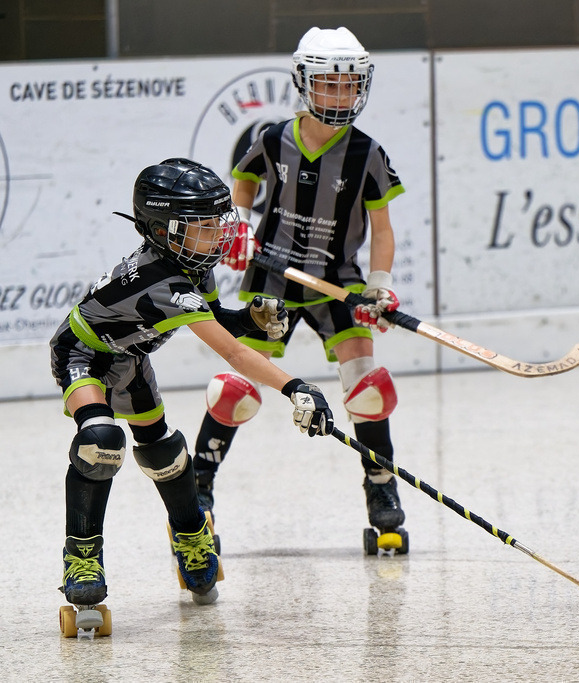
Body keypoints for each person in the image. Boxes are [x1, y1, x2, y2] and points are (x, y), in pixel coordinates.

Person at [51, 158, 335, 614]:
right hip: (82, 355)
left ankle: (191, 536)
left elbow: (216, 321)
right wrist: (295, 386)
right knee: (101, 443)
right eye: (201, 226)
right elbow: (234, 354)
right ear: (162, 230)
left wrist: (250, 320)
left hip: (130, 358)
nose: (217, 236)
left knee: (163, 452)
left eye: (216, 224)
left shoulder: (190, 263)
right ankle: (82, 558)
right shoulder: (163, 279)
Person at [194, 26, 408, 550]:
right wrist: (239, 225)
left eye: (348, 85)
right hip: (273, 275)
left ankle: (380, 488)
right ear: (304, 83)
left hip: (339, 280)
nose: (339, 95)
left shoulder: (368, 154)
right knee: (236, 391)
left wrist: (378, 286)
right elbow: (242, 187)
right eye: (328, 84)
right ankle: (198, 490)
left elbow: (382, 230)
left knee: (368, 387)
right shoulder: (269, 139)